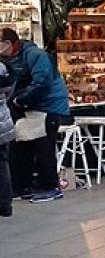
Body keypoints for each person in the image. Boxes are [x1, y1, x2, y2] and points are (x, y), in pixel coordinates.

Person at [0, 28, 71, 202]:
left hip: (48, 106)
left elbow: (42, 81)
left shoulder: (35, 54)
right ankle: (23, 186)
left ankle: (50, 187)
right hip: (30, 108)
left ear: (9, 43)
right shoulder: (11, 58)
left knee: (44, 148)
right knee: (23, 146)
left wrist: (20, 100)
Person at [0, 65, 15, 217]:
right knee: (2, 164)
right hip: (4, 124)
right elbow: (9, 91)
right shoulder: (2, 68)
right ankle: (5, 205)